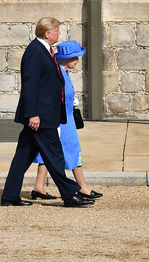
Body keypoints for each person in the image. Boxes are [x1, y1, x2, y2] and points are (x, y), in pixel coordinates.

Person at [0, 18, 94, 208]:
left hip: (44, 114)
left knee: (23, 156)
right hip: (40, 117)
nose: (59, 33)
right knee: (55, 154)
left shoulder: (45, 50)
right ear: (47, 33)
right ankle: (69, 194)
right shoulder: (35, 51)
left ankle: (9, 195)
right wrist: (33, 114)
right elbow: (30, 85)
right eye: (57, 31)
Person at [31, 40, 102, 200]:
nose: (77, 60)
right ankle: (82, 187)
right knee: (73, 150)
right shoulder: (57, 74)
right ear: (65, 59)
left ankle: (39, 187)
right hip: (62, 121)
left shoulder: (63, 72)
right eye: (75, 57)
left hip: (64, 118)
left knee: (47, 152)